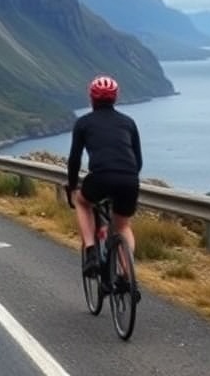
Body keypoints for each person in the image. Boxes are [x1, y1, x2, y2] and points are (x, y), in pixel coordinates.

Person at [66, 75, 142, 277]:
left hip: (101, 177)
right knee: (123, 225)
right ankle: (128, 277)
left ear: (91, 97)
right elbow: (138, 160)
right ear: (115, 98)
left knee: (83, 202)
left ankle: (91, 252)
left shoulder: (83, 123)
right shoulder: (128, 122)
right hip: (129, 178)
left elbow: (74, 160)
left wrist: (72, 187)